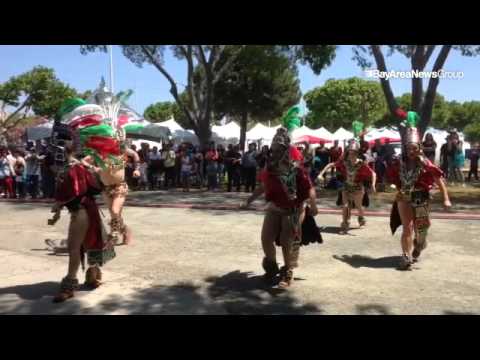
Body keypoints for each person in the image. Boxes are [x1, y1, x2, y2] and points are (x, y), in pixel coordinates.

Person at [240, 107, 318, 289]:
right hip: (275, 207)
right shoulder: (270, 168)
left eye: (278, 149)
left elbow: (309, 188)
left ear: (286, 151)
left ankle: (287, 270)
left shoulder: (297, 170)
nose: (274, 152)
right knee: (266, 238)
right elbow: (262, 186)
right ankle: (271, 267)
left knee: (286, 241)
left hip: (294, 209)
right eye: (273, 148)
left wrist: (313, 206)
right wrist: (249, 200)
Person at [47, 121, 115, 303]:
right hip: (83, 209)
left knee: (74, 247)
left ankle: (69, 285)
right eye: (59, 139)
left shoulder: (75, 166)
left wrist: (58, 205)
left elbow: (75, 191)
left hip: (82, 210)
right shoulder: (69, 165)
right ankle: (93, 276)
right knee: (88, 243)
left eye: (64, 139)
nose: (60, 143)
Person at [386, 111, 451, 270]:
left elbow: (438, 180)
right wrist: (392, 185)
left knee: (421, 231)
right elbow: (391, 178)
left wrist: (446, 198)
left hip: (421, 197)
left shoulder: (426, 163)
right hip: (403, 197)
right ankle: (405, 257)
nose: (411, 151)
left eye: (414, 148)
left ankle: (419, 244)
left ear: (419, 148)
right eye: (408, 148)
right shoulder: (398, 163)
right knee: (407, 227)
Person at [318, 121, 376, 234]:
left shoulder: (361, 164)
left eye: (354, 152)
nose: (351, 154)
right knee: (345, 206)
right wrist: (321, 173)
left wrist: (373, 185)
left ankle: (361, 218)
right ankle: (345, 224)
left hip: (358, 188)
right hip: (346, 187)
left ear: (357, 153)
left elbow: (373, 174)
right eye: (350, 152)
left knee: (359, 207)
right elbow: (331, 164)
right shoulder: (344, 162)